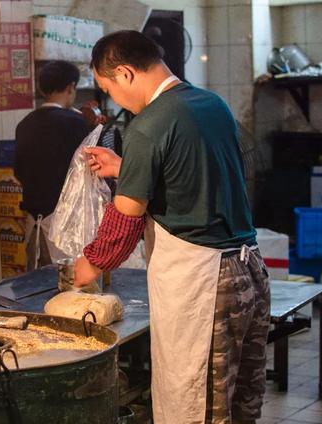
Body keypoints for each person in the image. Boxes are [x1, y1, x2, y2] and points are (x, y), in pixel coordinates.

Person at [73, 31, 270, 424]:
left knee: (197, 406)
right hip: (248, 271)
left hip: (204, 284)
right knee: (239, 403)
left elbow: (125, 220)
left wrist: (90, 263)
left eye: (108, 87)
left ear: (125, 73)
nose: (112, 98)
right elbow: (191, 171)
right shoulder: (210, 104)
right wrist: (124, 167)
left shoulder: (148, 124)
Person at [14, 60, 91, 270]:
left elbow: (18, 171)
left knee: (37, 288)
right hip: (68, 227)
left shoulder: (25, 124)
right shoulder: (77, 124)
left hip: (34, 224)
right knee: (70, 291)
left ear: (41, 88)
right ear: (71, 87)